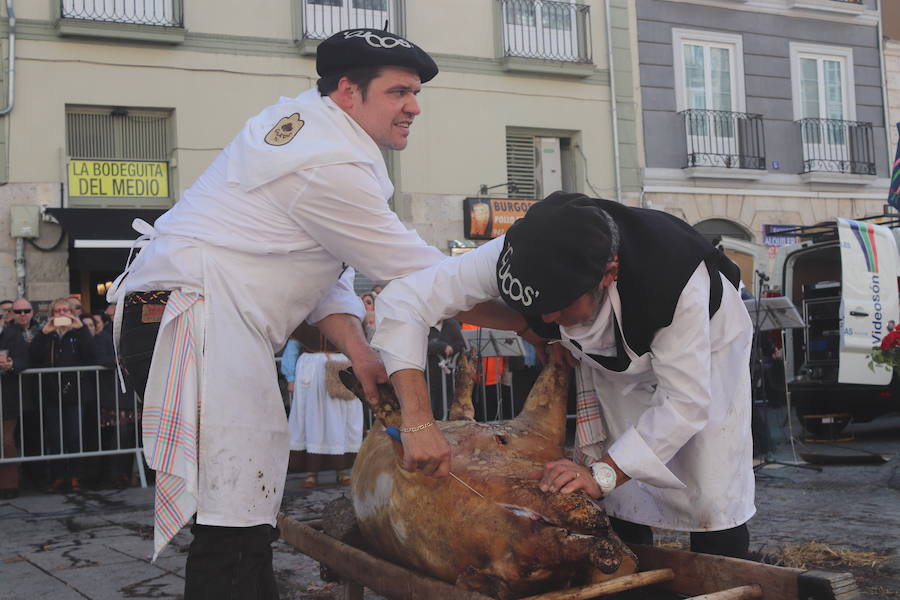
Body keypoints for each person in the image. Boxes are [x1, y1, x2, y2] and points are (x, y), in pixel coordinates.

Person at [107, 27, 451, 598]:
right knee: (234, 510)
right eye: (399, 92)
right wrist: (533, 298)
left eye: (415, 93)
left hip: (194, 317)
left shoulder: (307, 128)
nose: (414, 107)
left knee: (244, 506)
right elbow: (417, 271)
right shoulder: (324, 161)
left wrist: (360, 351)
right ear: (348, 91)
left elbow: (317, 273)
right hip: (194, 322)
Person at [372, 191, 755, 559]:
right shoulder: (520, 251)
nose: (550, 320)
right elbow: (405, 300)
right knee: (621, 495)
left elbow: (685, 404)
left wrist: (604, 474)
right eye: (539, 310)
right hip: (614, 371)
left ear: (609, 273)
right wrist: (418, 420)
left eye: (556, 308)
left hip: (708, 353)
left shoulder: (678, 284)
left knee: (711, 482)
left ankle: (725, 565)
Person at [29, 297, 96, 493]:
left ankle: (75, 475)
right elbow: (33, 356)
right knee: (55, 437)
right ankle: (57, 476)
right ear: (51, 314)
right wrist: (43, 333)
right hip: (52, 393)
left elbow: (91, 354)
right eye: (57, 311)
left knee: (75, 436)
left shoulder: (79, 332)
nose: (62, 314)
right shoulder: (47, 334)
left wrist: (81, 327)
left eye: (65, 310)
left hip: (76, 391)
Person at [0, 313, 30, 499]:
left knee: (6, 440)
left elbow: (24, 360)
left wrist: (10, 364)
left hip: (6, 398)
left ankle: (9, 484)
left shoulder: (12, 336)